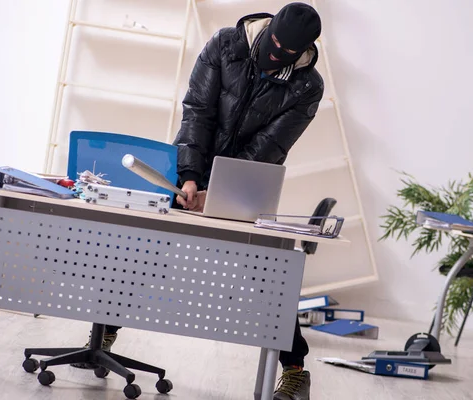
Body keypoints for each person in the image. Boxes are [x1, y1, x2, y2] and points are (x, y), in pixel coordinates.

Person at [72, 3, 323, 399]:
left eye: (286, 53)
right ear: (268, 27)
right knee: (141, 246)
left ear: (304, 51)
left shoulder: (307, 87)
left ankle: (294, 371)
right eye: (272, 44)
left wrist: (220, 191)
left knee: (269, 272)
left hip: (244, 182)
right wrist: (189, 176)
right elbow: (198, 112)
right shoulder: (226, 44)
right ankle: (102, 334)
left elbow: (270, 146)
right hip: (188, 164)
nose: (275, 55)